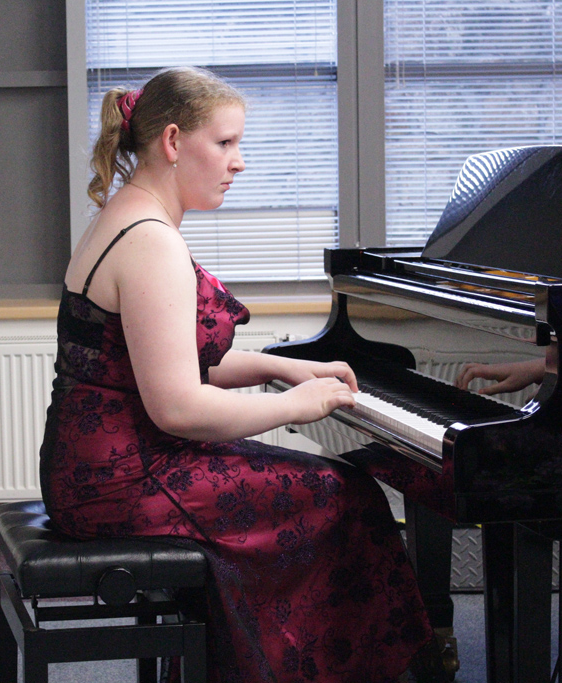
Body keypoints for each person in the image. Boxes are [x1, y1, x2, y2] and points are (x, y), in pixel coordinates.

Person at [39, 66, 432, 683]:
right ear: (173, 141)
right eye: (225, 143)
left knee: (329, 489)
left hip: (97, 467)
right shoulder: (151, 241)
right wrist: (297, 405)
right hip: (126, 480)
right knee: (344, 497)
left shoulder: (130, 217)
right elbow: (179, 408)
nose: (239, 162)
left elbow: (180, 362)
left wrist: (285, 365)